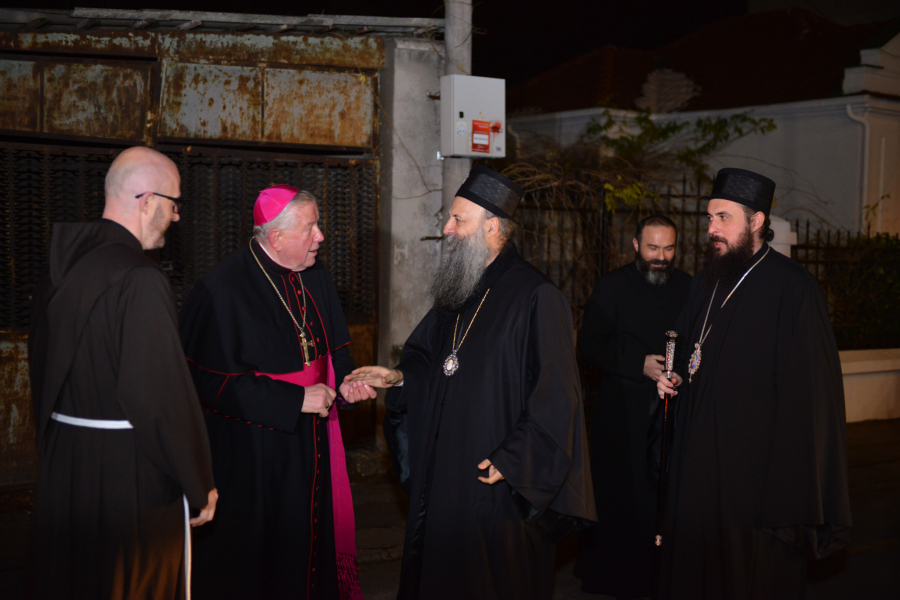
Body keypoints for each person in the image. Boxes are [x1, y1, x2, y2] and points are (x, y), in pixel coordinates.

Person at [346, 166, 596, 600]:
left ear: (492, 226)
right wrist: (400, 377)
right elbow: (430, 358)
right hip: (445, 475)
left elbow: (558, 395)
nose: (447, 228)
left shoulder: (537, 296)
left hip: (496, 481)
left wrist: (515, 458)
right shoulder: (459, 287)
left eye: (458, 219)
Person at [28, 146, 217, 600]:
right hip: (127, 476)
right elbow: (160, 398)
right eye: (174, 204)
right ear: (147, 201)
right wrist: (199, 483)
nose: (176, 217)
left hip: (65, 465)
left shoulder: (61, 268)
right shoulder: (139, 279)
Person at [655, 168, 852, 599]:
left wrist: (792, 489)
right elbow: (689, 348)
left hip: (754, 478)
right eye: (710, 218)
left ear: (757, 220)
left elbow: (811, 399)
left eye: (723, 218)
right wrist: (671, 374)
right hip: (698, 465)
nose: (712, 228)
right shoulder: (707, 280)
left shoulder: (794, 288)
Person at [180, 185, 374, 600]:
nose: (321, 236)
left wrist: (345, 383)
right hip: (254, 447)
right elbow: (209, 382)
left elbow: (335, 349)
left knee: (309, 545)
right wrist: (294, 399)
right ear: (276, 237)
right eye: (310, 228)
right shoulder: (221, 289)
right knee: (260, 558)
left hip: (314, 442)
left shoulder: (315, 273)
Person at [574, 215, 691, 599]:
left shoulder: (689, 288)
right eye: (653, 248)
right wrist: (637, 363)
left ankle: (662, 576)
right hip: (621, 414)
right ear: (636, 245)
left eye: (668, 249)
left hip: (671, 412)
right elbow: (589, 344)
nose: (661, 257)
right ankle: (615, 579)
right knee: (620, 499)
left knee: (663, 498)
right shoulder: (612, 286)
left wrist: (680, 374)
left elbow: (697, 346)